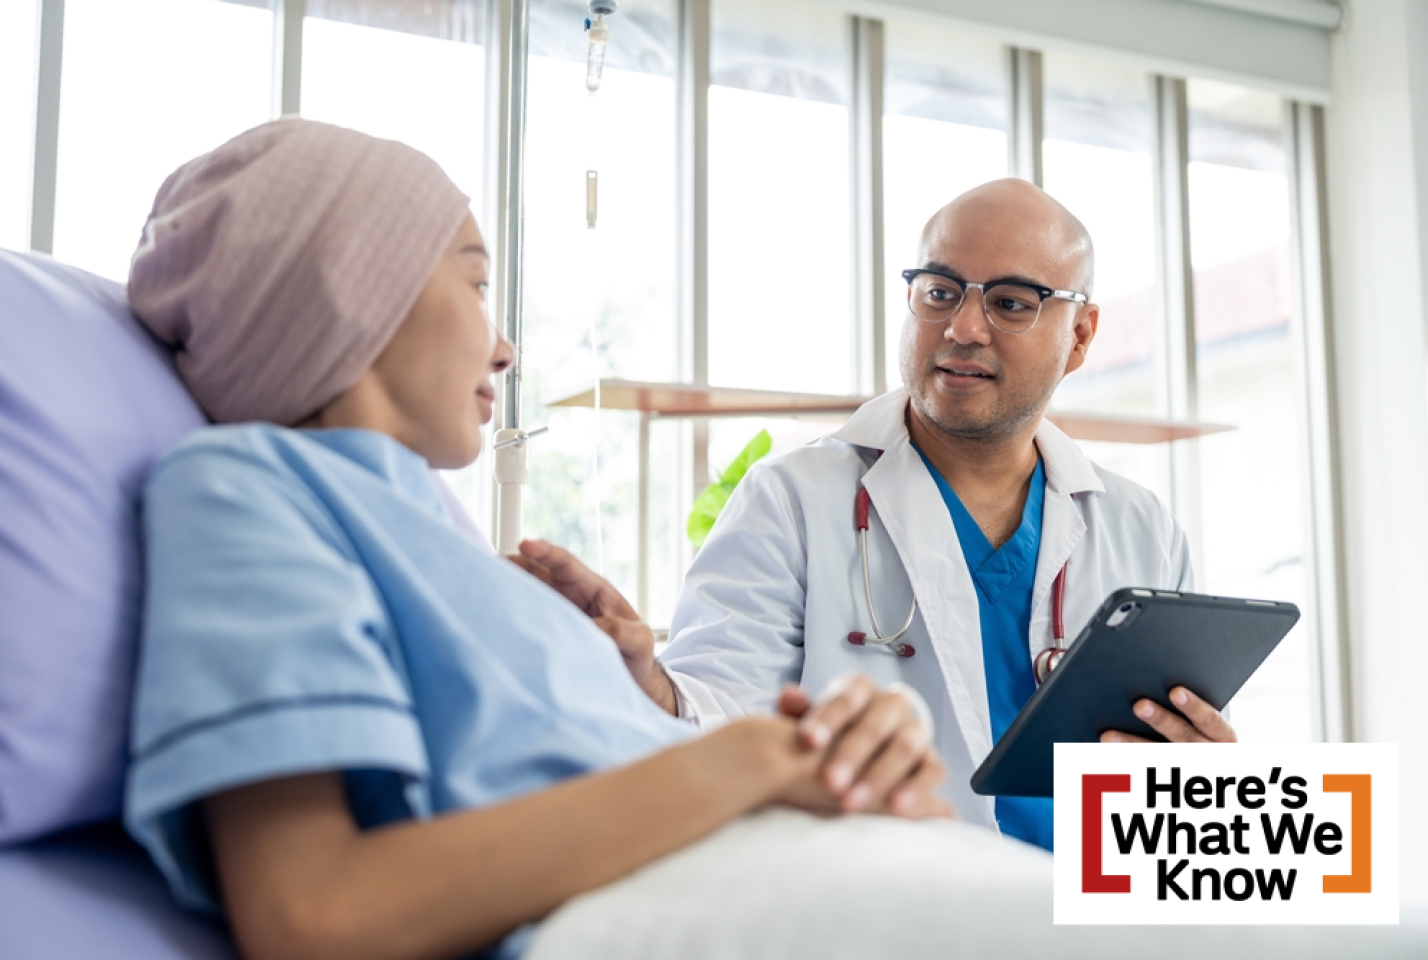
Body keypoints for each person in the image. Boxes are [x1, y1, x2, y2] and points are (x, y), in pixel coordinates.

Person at [122, 119, 953, 960]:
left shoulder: (441, 541)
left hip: (862, 875)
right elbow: (314, 913)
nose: (508, 349)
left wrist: (848, 756)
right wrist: (751, 760)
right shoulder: (245, 486)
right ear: (353, 291)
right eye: (477, 286)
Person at [629, 179, 1235, 852]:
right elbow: (715, 716)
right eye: (940, 292)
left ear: (1081, 336)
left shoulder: (1143, 531)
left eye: (1010, 303)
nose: (963, 328)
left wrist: (1206, 783)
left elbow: (1188, 807)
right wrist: (645, 686)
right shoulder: (792, 503)